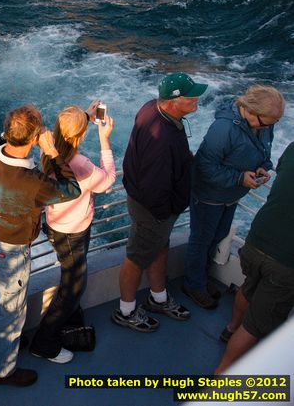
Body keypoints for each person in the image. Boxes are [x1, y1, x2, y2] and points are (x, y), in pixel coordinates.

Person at [0, 104, 81, 385]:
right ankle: (1, 371)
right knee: (12, 310)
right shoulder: (32, 182)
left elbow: (2, 144)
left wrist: (23, 133)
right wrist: (52, 151)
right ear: (34, 139)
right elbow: (71, 190)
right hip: (12, 249)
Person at [112, 72, 207, 333]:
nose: (197, 98)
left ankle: (159, 297)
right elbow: (155, 187)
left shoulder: (151, 107)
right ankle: (126, 311)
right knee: (136, 257)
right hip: (153, 211)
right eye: (192, 96)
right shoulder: (161, 139)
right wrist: (166, 213)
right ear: (174, 101)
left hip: (153, 208)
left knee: (158, 248)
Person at [184, 86, 284, 309]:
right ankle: (193, 284)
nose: (270, 127)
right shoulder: (224, 128)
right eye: (267, 122)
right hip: (210, 195)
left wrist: (263, 167)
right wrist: (239, 178)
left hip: (231, 195)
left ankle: (201, 278)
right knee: (201, 240)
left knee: (217, 235)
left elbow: (263, 151)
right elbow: (204, 167)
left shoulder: (264, 124)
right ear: (250, 110)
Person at [29, 104, 116, 362]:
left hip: (56, 225)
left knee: (70, 277)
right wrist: (104, 139)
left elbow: (67, 135)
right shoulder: (82, 166)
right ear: (81, 135)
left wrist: (85, 118)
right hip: (73, 232)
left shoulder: (49, 150)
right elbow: (108, 180)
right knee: (73, 288)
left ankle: (69, 318)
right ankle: (44, 343)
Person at [215, 141, 294, 374]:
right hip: (285, 260)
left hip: (257, 239)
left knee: (248, 287)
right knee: (256, 327)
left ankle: (230, 328)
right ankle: (221, 377)